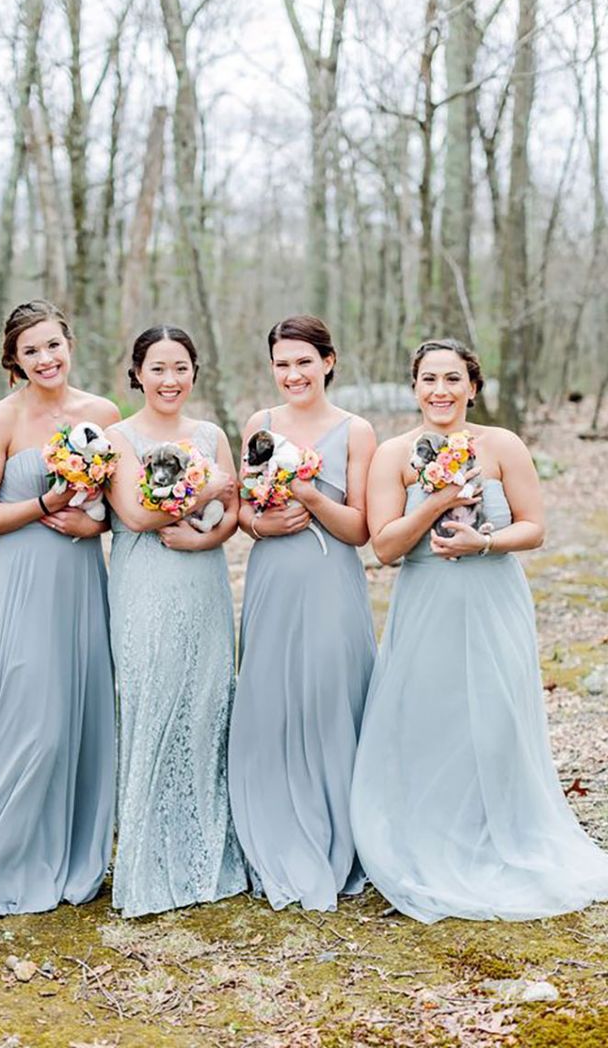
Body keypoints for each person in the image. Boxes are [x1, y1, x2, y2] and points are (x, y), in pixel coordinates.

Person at [350, 338, 608, 922]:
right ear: (414, 388)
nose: (441, 390)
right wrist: (435, 503)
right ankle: (431, 836)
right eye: (429, 379)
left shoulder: (503, 445)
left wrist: (484, 541)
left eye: (453, 379)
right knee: (432, 717)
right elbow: (384, 548)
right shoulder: (394, 454)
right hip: (427, 600)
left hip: (494, 597)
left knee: (496, 721)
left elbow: (534, 528)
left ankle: (500, 832)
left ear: (473, 387)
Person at [0, 301, 119, 923]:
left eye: (53, 345)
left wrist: (91, 523)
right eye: (31, 350)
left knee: (75, 711)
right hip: (22, 582)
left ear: (71, 342)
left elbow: (115, 511)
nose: (46, 359)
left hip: (80, 579)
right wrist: (46, 500)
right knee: (28, 719)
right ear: (14, 360)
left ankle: (66, 852)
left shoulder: (103, 415)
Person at [228, 315, 377, 911]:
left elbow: (361, 528)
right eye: (282, 364)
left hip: (329, 579)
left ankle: (338, 832)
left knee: (327, 694)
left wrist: (311, 494)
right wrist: (261, 522)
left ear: (329, 361)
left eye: (304, 362)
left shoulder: (355, 430)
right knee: (271, 697)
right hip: (272, 577)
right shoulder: (258, 425)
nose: (293, 374)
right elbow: (242, 511)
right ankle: (273, 824)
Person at [105, 324, 246, 917]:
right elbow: (137, 514)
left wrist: (206, 536)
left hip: (203, 579)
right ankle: (148, 858)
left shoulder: (212, 434)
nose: (170, 380)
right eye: (158, 368)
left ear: (194, 372)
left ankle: (207, 850)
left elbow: (235, 509)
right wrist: (205, 488)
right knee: (153, 696)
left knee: (208, 698)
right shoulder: (118, 437)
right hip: (145, 583)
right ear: (137, 373)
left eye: (181, 367)